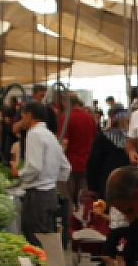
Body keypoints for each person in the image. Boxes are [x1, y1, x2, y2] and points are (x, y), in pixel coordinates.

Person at [89, 111, 138, 266]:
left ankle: (108, 253)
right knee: (133, 222)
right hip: (132, 183)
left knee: (109, 224)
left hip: (108, 183)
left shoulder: (102, 138)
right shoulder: (135, 140)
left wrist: (92, 186)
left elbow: (93, 163)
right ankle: (130, 255)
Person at [16, 100, 70, 235]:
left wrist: (19, 173)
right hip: (50, 194)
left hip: (37, 196)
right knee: (47, 238)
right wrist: (50, 179)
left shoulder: (34, 133)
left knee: (35, 239)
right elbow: (66, 167)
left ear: (29, 115)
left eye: (22, 117)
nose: (22, 122)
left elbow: (34, 166)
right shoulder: (50, 135)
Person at [60, 92, 97, 207]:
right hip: (87, 162)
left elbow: (64, 142)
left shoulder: (66, 117)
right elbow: (95, 139)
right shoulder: (89, 118)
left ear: (66, 103)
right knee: (84, 197)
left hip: (70, 163)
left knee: (68, 198)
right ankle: (84, 221)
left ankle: (71, 223)